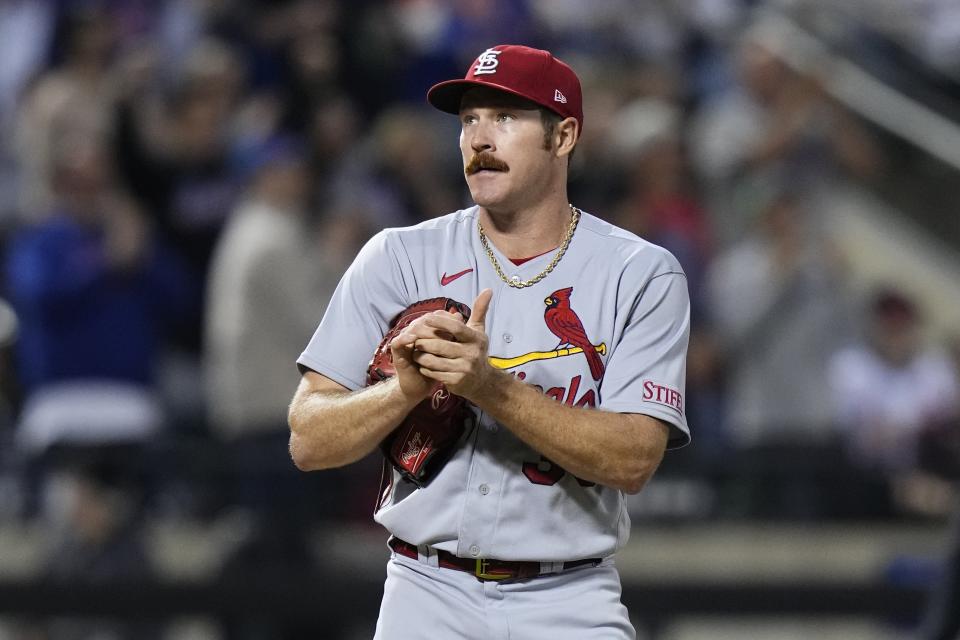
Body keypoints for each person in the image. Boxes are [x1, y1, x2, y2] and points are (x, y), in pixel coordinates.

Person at [288, 44, 691, 639]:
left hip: (569, 596)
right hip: (425, 591)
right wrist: (399, 394)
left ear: (564, 137)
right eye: (469, 118)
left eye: (504, 118)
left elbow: (633, 460)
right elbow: (307, 438)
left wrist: (488, 387)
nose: (479, 138)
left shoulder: (640, 273)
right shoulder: (399, 258)